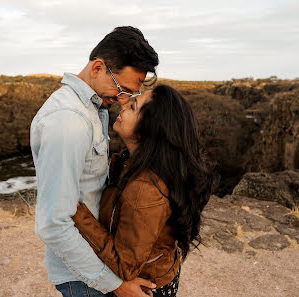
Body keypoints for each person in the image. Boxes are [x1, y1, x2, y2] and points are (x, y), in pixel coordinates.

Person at [30, 26, 159, 297]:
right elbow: (53, 223)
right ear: (98, 67)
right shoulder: (68, 120)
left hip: (99, 259)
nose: (122, 99)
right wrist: (116, 284)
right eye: (121, 88)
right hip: (85, 276)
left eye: (131, 95)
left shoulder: (93, 107)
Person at [72, 85, 218, 297]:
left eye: (133, 106)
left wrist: (78, 214)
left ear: (150, 128)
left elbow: (125, 266)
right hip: (159, 275)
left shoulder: (145, 188)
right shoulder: (135, 163)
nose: (123, 105)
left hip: (144, 289)